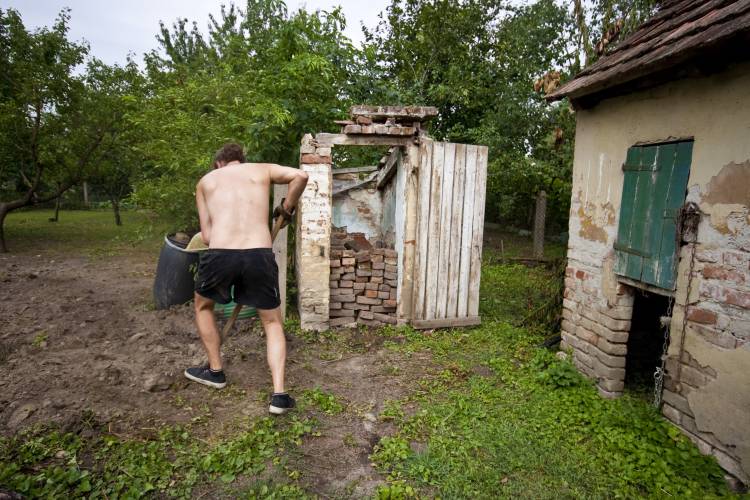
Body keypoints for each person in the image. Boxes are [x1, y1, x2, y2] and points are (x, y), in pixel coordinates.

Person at [184, 143, 309, 415]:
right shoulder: (261, 169)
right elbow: (301, 176)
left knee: (203, 306)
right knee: (272, 322)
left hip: (219, 254)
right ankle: (279, 396)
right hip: (258, 254)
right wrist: (286, 208)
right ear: (241, 160)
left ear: (218, 164)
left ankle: (215, 371)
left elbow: (206, 236)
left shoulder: (206, 181)